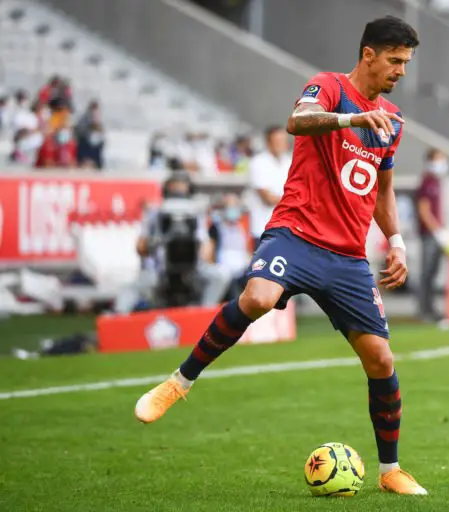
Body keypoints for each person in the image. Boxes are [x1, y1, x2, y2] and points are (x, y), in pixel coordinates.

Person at [134, 16, 427, 496]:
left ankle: (390, 469)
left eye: (406, 63)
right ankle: (178, 383)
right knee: (258, 297)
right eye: (395, 60)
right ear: (368, 54)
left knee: (380, 358)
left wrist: (396, 242)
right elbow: (298, 122)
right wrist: (351, 119)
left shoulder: (391, 121)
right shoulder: (329, 87)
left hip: (347, 255)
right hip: (296, 233)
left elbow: (382, 190)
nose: (401, 71)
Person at [113, 172, 229, 313]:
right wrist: (153, 243)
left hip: (192, 271)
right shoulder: (154, 213)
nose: (179, 190)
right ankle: (117, 318)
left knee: (219, 276)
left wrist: (201, 249)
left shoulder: (196, 214)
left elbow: (206, 249)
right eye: (175, 186)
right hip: (160, 271)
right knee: (129, 289)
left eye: (182, 186)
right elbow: (140, 248)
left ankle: (203, 314)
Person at [415, 148, 448, 322]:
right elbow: (424, 210)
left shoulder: (436, 182)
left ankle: (431, 308)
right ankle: (424, 311)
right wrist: (436, 231)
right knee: (427, 273)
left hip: (436, 234)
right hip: (429, 234)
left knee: (434, 273)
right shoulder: (427, 182)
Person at [249, 126, 291, 248]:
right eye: (278, 141)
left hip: (285, 230)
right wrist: (294, 200)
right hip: (263, 230)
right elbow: (267, 198)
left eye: (283, 140)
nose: (282, 144)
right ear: (269, 142)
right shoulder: (258, 162)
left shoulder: (289, 161)